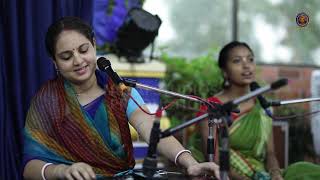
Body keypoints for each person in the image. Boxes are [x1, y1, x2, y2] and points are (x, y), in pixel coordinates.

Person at [22, 16, 220, 179]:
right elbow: (29, 168)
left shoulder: (119, 91)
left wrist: (189, 162)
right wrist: (62, 171)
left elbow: (151, 130)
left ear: (93, 45)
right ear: (54, 62)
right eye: (66, 57)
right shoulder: (46, 102)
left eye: (84, 50)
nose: (78, 61)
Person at [198, 41, 320, 180]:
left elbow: (270, 153)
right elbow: (214, 160)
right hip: (227, 176)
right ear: (225, 71)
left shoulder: (263, 105)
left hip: (262, 175)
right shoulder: (212, 107)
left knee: (306, 170)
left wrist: (275, 174)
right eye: (237, 61)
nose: (246, 65)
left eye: (250, 59)